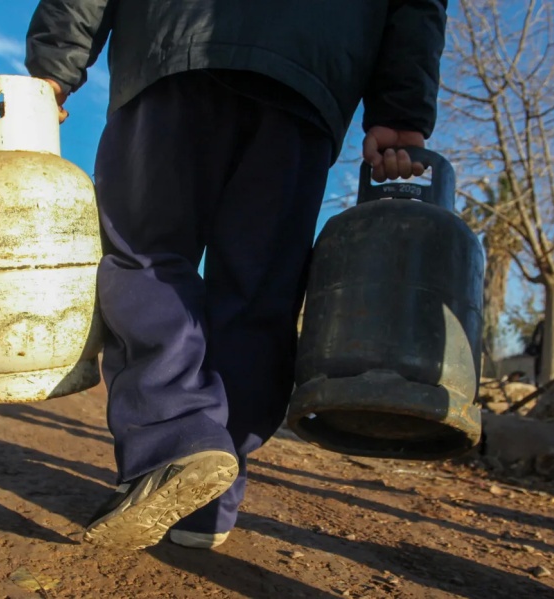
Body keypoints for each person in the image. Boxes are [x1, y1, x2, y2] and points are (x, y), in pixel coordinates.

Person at [25, 0, 448, 550]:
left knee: (150, 256)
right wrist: (401, 111)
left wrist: (54, 64)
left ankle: (174, 443)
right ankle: (208, 501)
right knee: (258, 288)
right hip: (310, 66)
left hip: (173, 45)